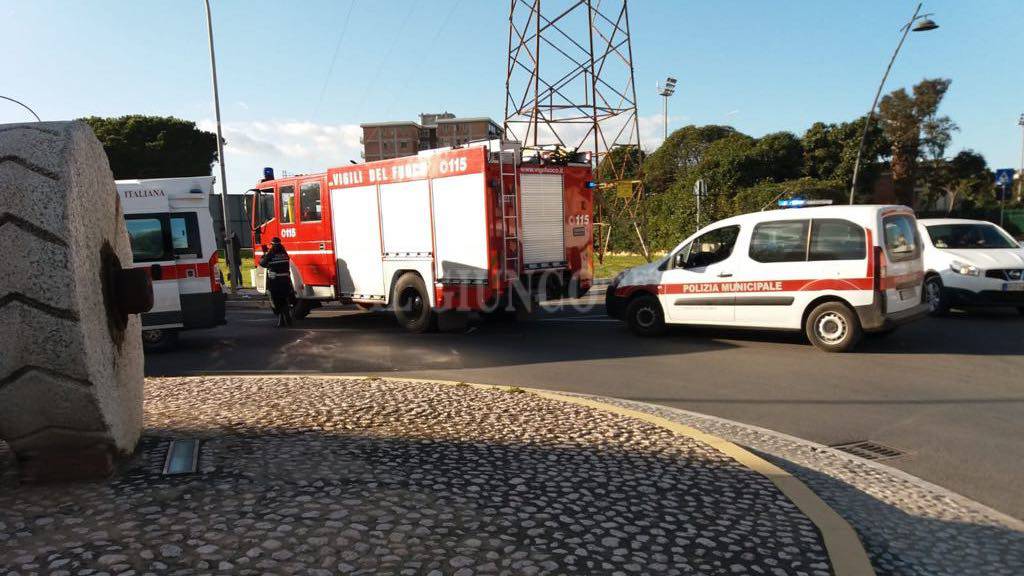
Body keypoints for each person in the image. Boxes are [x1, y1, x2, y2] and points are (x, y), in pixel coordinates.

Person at [259, 238, 295, 327]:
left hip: (275, 282)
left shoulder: (271, 254)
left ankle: (284, 319)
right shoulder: (284, 253)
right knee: (284, 300)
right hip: (286, 281)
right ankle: (284, 320)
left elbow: (263, 264)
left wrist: (264, 256)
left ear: (272, 245)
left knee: (277, 302)